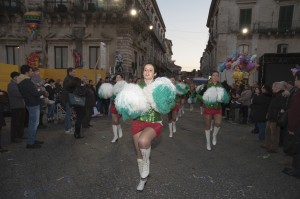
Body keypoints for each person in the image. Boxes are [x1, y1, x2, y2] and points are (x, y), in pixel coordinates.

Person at [198, 70, 229, 151]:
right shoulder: (206, 86)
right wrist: (204, 99)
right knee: (207, 126)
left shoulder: (221, 86)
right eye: (213, 75)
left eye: (216, 75)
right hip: (208, 108)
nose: (215, 77)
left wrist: (223, 99)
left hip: (218, 108)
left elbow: (225, 96)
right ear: (211, 77)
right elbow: (198, 95)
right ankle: (208, 142)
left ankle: (214, 136)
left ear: (218, 77)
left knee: (218, 123)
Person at [17, 65, 45, 149]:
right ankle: (30, 143)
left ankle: (32, 139)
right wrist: (42, 92)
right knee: (33, 124)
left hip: (30, 103)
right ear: (26, 72)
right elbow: (35, 93)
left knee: (32, 123)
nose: (32, 72)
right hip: (33, 104)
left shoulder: (22, 81)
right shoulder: (26, 81)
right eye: (31, 71)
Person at [282, 70, 300, 178]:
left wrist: (291, 128)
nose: (295, 81)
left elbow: (295, 113)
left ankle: (296, 170)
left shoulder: (298, 95)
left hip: (297, 127)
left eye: (296, 79)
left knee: (297, 149)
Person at [261, 81, 287, 153]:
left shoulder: (282, 95)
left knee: (274, 134)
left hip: (275, 118)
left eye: (273, 86)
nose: (272, 88)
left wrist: (277, 115)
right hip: (270, 116)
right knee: (268, 132)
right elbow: (271, 105)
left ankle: (273, 148)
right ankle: (267, 144)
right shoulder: (275, 95)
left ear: (277, 87)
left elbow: (282, 107)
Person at [7, 72, 26, 143]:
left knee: (21, 122)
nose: (20, 79)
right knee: (15, 123)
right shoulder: (11, 85)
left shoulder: (17, 85)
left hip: (21, 106)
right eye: (19, 77)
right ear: (15, 77)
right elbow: (19, 94)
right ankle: (14, 137)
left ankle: (20, 135)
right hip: (16, 106)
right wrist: (25, 92)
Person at [110, 74, 126, 143]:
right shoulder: (113, 86)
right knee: (114, 121)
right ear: (115, 79)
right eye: (117, 77)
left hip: (120, 105)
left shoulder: (125, 86)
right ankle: (115, 136)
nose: (118, 78)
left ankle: (119, 128)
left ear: (122, 78)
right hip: (113, 105)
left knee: (116, 120)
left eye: (119, 77)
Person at [62, 68, 76, 134]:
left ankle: (69, 127)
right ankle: (67, 129)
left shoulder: (70, 79)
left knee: (69, 114)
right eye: (73, 72)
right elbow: (69, 90)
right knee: (68, 114)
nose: (74, 73)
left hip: (69, 98)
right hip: (67, 99)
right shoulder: (68, 79)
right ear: (69, 72)